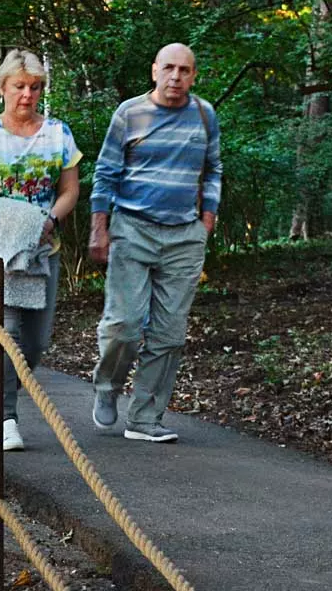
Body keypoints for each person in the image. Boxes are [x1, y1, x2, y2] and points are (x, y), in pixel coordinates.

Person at [88, 42, 222, 443]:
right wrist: (99, 227)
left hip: (184, 235)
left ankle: (145, 418)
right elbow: (105, 173)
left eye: (184, 70)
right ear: (154, 71)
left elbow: (213, 168)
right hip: (133, 228)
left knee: (169, 333)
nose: (175, 77)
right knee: (124, 325)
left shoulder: (204, 114)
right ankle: (108, 385)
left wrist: (207, 218)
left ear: (193, 76)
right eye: (169, 68)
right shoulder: (129, 113)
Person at [0, 49, 81, 451]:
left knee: (35, 341)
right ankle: (4, 419)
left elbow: (70, 190)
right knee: (7, 333)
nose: (27, 95)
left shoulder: (58, 133)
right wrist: (21, 222)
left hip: (43, 250)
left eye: (34, 87)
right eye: (19, 86)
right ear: (2, 88)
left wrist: (47, 222)